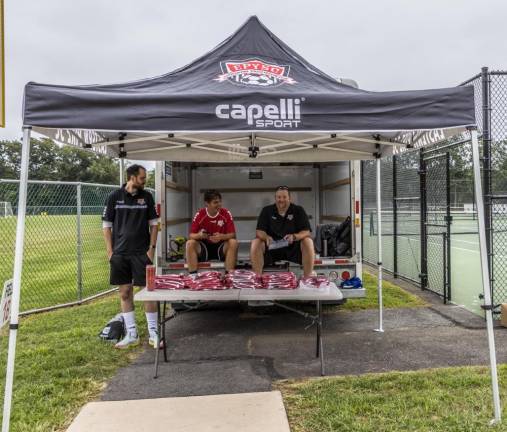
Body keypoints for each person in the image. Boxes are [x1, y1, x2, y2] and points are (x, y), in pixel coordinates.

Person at [102, 164, 159, 349]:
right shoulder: (114, 197)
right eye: (142, 178)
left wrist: (151, 248)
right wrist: (110, 252)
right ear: (132, 177)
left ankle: (154, 333)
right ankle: (131, 334)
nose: (145, 181)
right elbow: (106, 226)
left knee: (148, 292)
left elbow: (154, 225)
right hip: (120, 254)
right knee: (125, 293)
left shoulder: (147, 197)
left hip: (141, 254)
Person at [250, 186, 315, 276]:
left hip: (292, 247)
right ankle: (257, 278)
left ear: (289, 198)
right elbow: (259, 231)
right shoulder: (267, 210)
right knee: (255, 242)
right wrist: (266, 237)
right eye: (279, 197)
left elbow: (306, 231)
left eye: (284, 197)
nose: (281, 200)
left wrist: (294, 236)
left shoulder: (298, 210)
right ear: (275, 198)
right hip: (272, 247)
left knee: (308, 241)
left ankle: (307, 278)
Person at [186, 190, 238, 272]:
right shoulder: (200, 214)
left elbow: (233, 235)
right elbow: (191, 235)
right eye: (215, 202)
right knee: (190, 243)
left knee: (233, 242)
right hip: (204, 247)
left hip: (221, 247)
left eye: (220, 202)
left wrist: (222, 236)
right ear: (207, 203)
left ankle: (229, 276)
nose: (219, 205)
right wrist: (199, 235)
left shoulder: (226, 213)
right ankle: (193, 276)